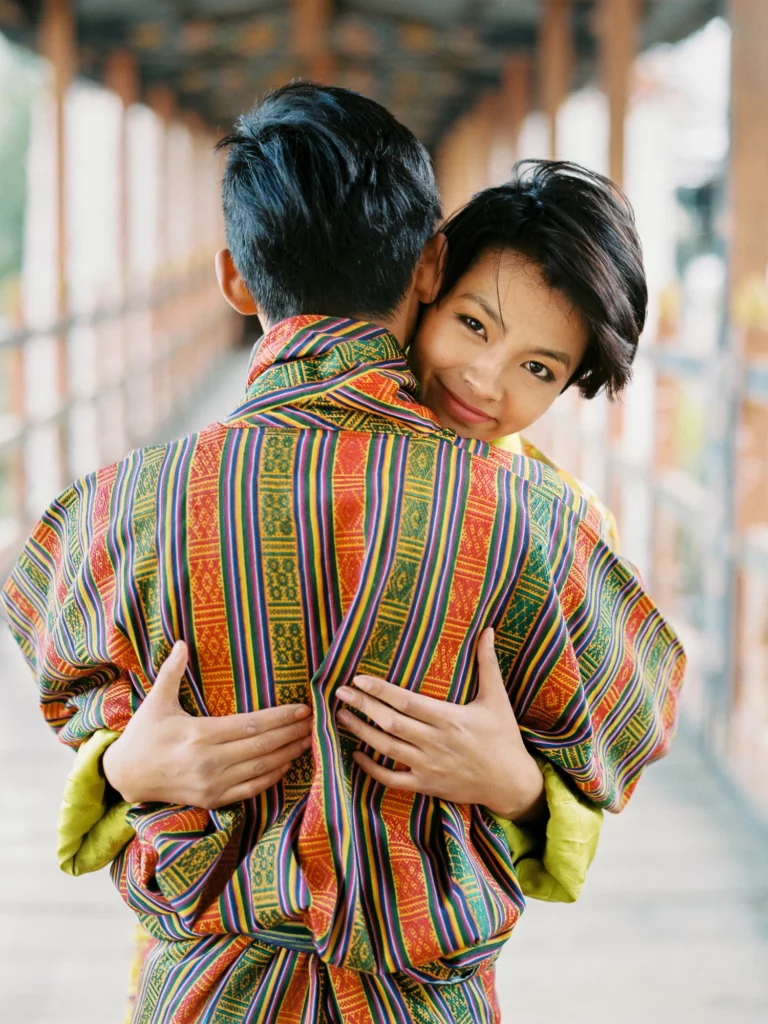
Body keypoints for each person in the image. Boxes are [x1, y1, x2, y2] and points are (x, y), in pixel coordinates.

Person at [1, 85, 684, 1024]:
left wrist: (119, 770)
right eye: (476, 326)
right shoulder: (543, 528)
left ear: (236, 281)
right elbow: (632, 719)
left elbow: (59, 664)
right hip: (423, 999)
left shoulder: (122, 511)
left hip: (203, 990)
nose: (485, 379)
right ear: (431, 268)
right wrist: (527, 789)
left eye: (539, 367)